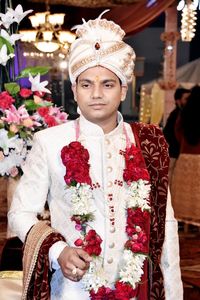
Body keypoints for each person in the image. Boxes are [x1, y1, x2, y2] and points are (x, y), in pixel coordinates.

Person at [8, 12, 183, 300]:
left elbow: (166, 223)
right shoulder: (50, 142)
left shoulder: (148, 144)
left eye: (108, 84)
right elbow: (19, 213)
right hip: (74, 289)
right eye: (86, 84)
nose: (97, 93)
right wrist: (57, 251)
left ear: (123, 90)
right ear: (75, 91)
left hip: (137, 287)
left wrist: (173, 293)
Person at [171, 85, 200, 227]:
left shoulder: (184, 114)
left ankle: (186, 226)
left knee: (186, 195)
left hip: (185, 158)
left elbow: (177, 133)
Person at [163, 87, 190, 189]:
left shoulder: (183, 114)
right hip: (174, 153)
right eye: (186, 98)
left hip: (177, 152)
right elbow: (167, 133)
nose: (189, 101)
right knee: (171, 178)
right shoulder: (176, 114)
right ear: (178, 101)